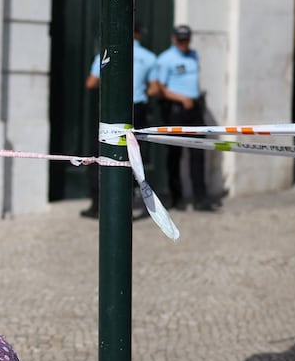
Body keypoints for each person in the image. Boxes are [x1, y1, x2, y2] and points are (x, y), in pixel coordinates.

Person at [82, 21, 158, 219]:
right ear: (139, 35)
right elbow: (155, 89)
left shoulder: (105, 54)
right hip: (136, 110)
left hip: (111, 111)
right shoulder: (149, 57)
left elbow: (90, 83)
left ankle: (96, 205)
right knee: (133, 157)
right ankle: (127, 206)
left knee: (100, 153)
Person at [152, 24, 217, 211]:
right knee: (175, 154)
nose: (183, 44)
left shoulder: (194, 55)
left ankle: (200, 198)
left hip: (194, 109)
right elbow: (160, 88)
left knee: (199, 152)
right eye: (180, 40)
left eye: (186, 40)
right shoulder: (165, 59)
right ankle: (176, 197)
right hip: (176, 110)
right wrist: (181, 98)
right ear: (173, 39)